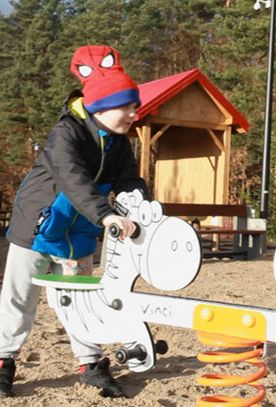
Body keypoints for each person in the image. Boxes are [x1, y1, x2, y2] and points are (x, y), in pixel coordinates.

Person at [0, 45, 148, 398]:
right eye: (126, 106)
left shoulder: (119, 144)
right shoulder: (66, 133)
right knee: (20, 298)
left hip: (79, 232)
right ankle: (3, 359)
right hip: (37, 227)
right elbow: (72, 178)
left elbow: (129, 180)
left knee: (80, 299)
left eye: (134, 106)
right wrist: (106, 213)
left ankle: (90, 362)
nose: (133, 113)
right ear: (99, 105)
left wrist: (142, 206)